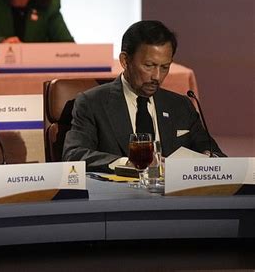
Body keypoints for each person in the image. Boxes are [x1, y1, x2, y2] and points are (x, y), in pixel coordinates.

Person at [62, 20, 225, 173]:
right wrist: (128, 163)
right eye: (149, 66)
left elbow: (215, 153)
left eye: (165, 67)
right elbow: (74, 155)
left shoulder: (180, 105)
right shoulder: (92, 103)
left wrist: (208, 159)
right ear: (125, 61)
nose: (157, 76)